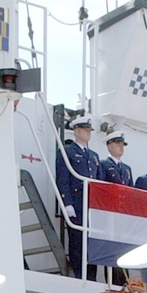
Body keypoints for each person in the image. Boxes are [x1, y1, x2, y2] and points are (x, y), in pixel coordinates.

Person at [57, 115, 99, 280]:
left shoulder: (94, 156)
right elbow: (63, 178)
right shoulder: (67, 152)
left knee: (91, 242)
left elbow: (98, 183)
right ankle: (78, 273)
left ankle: (91, 276)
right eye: (85, 130)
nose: (88, 133)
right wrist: (67, 203)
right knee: (77, 242)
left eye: (89, 130)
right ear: (77, 131)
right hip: (77, 204)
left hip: (91, 206)